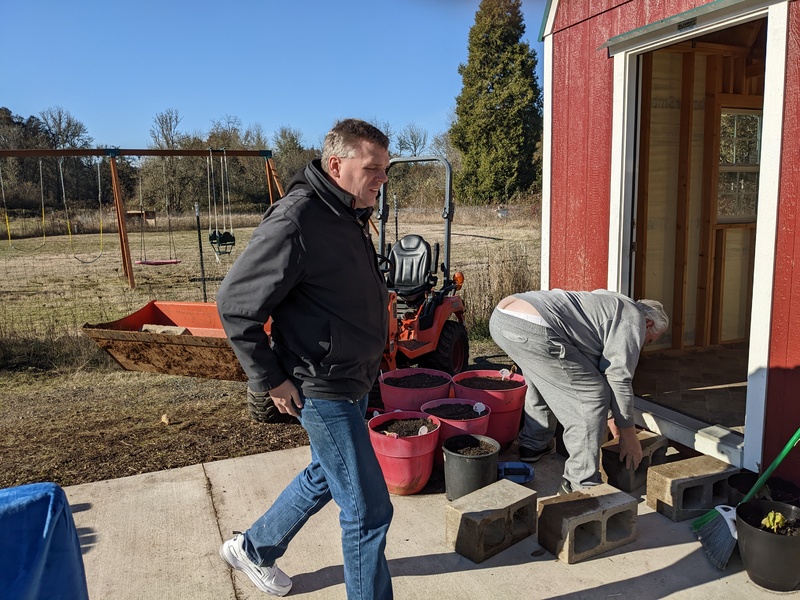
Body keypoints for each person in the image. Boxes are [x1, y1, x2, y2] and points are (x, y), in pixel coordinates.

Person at [216, 118, 393, 599]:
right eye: (372, 168)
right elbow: (235, 305)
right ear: (337, 165)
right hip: (320, 385)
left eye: (386, 169)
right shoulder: (297, 219)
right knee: (369, 511)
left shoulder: (348, 213)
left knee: (324, 473)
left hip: (351, 379)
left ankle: (252, 548)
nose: (382, 178)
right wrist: (270, 380)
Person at [489, 289, 669, 495]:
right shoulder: (632, 320)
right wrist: (628, 434)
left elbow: (592, 368)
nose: (643, 345)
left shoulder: (612, 303)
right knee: (592, 397)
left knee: (545, 379)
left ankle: (533, 444)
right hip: (536, 327)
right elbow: (618, 378)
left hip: (502, 318)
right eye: (650, 340)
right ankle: (581, 482)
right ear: (649, 324)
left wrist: (612, 417)